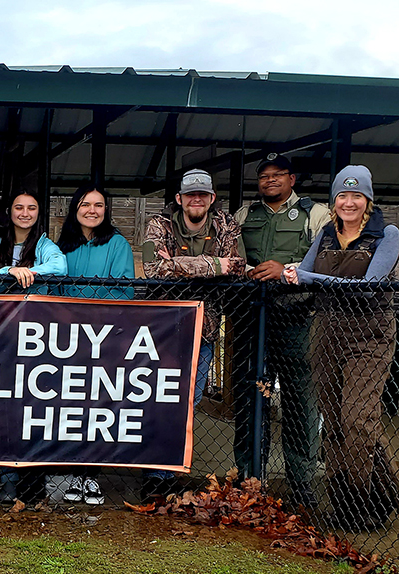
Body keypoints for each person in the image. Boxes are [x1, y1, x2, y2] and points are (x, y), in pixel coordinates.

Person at [284, 165, 399, 530]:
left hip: (370, 335)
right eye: (342, 196)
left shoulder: (387, 235)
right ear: (334, 201)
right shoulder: (325, 234)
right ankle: (343, 502)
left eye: (357, 196)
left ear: (368, 200)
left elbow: (368, 286)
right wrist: (290, 274)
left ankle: (371, 500)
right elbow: (302, 276)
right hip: (328, 332)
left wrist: (306, 275)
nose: (349, 203)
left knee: (358, 419)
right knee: (333, 422)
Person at [233, 153, 331, 509]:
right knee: (250, 398)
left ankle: (302, 482)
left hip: (297, 318)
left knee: (299, 401)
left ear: (292, 179)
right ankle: (249, 477)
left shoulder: (315, 214)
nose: (270, 180)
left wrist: (286, 269)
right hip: (252, 318)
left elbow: (325, 260)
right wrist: (248, 270)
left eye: (278, 174)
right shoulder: (244, 216)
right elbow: (231, 255)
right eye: (264, 175)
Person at [141, 169, 246, 500]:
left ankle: (168, 470)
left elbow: (237, 267)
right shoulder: (160, 224)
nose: (196, 199)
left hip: (204, 330)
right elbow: (153, 268)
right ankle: (154, 477)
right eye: (190, 194)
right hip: (162, 332)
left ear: (212, 198)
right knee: (158, 400)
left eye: (202, 194)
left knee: (188, 403)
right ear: (179, 198)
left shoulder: (226, 225)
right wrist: (214, 266)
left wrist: (178, 263)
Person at [0, 190, 67, 502]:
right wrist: (8, 272)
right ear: (9, 212)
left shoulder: (44, 246)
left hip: (33, 336)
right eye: (18, 207)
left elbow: (60, 267)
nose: (25, 213)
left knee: (30, 407)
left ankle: (29, 483)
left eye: (31, 208)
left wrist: (29, 272)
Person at [50, 183, 135, 505]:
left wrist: (82, 302)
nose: (92, 210)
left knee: (99, 409)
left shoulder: (117, 244)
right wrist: (74, 307)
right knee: (72, 408)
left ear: (106, 210)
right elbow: (54, 289)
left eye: (98, 205)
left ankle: (92, 476)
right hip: (68, 339)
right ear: (75, 208)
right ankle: (74, 474)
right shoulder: (62, 246)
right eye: (85, 204)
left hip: (103, 339)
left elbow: (123, 291)